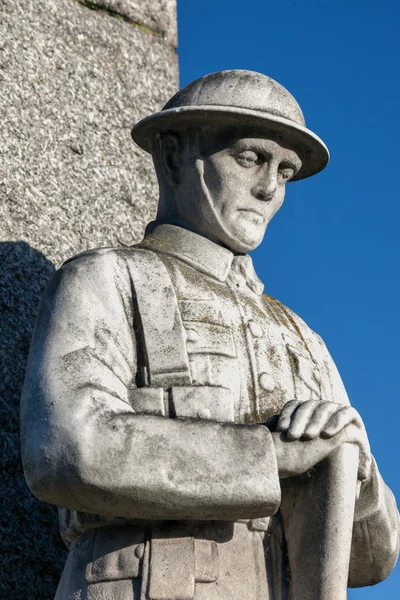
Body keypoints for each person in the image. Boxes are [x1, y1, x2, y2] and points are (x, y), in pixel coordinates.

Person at [21, 70, 399, 600]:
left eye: (285, 171)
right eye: (250, 157)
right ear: (174, 155)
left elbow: (373, 562)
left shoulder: (302, 339)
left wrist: (358, 476)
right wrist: (266, 457)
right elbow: (66, 448)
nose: (270, 189)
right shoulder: (107, 278)